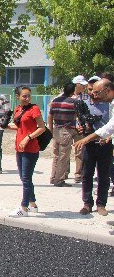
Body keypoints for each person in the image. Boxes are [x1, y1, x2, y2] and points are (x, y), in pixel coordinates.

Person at [73, 78, 112, 216]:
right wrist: (82, 130)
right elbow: (79, 122)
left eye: (96, 91)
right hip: (89, 144)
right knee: (87, 174)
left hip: (105, 144)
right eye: (91, 90)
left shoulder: (109, 104)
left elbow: (109, 127)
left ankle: (101, 204)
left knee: (103, 175)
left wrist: (108, 137)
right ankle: (87, 203)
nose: (94, 94)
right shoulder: (83, 104)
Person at [6, 85, 46, 217]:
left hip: (30, 148)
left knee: (26, 178)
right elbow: (20, 127)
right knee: (24, 178)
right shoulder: (18, 109)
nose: (27, 98)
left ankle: (24, 207)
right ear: (17, 97)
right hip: (20, 147)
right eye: (24, 96)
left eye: (28, 95)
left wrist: (28, 138)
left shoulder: (34, 109)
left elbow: (41, 128)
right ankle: (32, 203)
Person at [47, 82, 77, 187]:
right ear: (73, 91)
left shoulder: (55, 101)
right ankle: (59, 180)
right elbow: (77, 116)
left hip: (56, 130)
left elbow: (50, 116)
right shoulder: (73, 102)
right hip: (66, 130)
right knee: (63, 157)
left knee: (56, 155)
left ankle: (53, 177)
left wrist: (50, 130)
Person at [71, 74, 90, 183]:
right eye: (81, 85)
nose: (84, 87)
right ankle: (63, 173)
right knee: (64, 152)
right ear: (76, 85)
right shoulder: (66, 96)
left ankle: (78, 173)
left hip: (80, 127)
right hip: (68, 126)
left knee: (79, 150)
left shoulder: (87, 97)